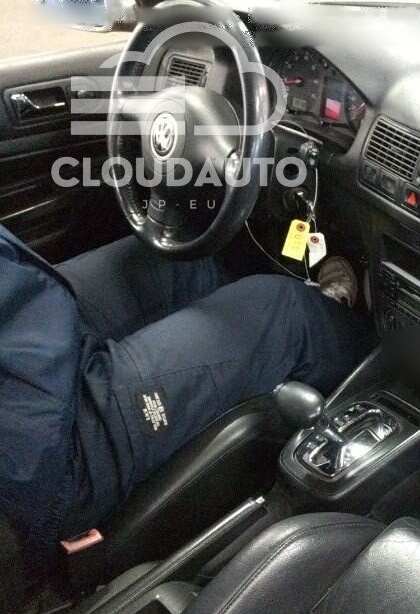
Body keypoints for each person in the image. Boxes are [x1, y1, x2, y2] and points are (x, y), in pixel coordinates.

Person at [0, 224, 371, 572]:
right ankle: (368, 344)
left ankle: (253, 359)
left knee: (187, 261)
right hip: (40, 446)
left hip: (27, 319)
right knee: (288, 312)